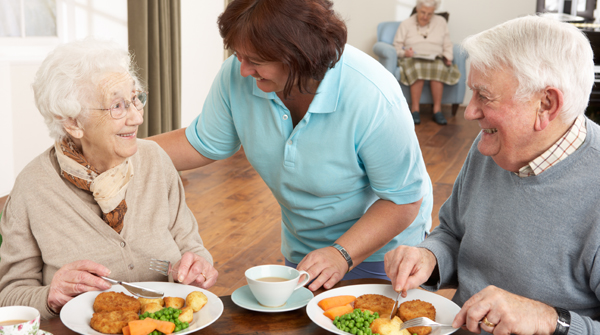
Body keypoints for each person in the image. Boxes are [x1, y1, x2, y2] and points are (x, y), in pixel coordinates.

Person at [151, 0, 433, 292]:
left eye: (256, 60)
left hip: (383, 253)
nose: (243, 69)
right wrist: (118, 150)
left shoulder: (372, 95)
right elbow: (201, 143)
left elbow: (404, 200)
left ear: (298, 55)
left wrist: (342, 253)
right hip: (306, 251)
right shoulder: (237, 76)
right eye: (238, 54)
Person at [384, 15, 600, 335]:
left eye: (483, 96)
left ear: (547, 104)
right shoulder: (493, 144)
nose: (470, 112)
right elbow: (453, 232)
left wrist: (549, 319)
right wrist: (430, 257)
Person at [0, 38, 218, 320]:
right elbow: (8, 296)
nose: (137, 117)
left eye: (136, 99)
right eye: (117, 106)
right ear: (72, 122)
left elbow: (191, 246)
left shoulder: (155, 160)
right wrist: (50, 296)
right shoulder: (32, 188)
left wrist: (198, 267)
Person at [393, 0, 460, 125]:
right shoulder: (406, 23)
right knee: (418, 67)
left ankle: (437, 111)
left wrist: (447, 57)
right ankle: (415, 110)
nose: (425, 16)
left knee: (439, 68)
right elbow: (396, 46)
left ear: (434, 12)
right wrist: (405, 53)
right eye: (423, 12)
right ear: (417, 9)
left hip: (435, 57)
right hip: (413, 58)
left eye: (429, 14)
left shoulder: (441, 22)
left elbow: (447, 43)